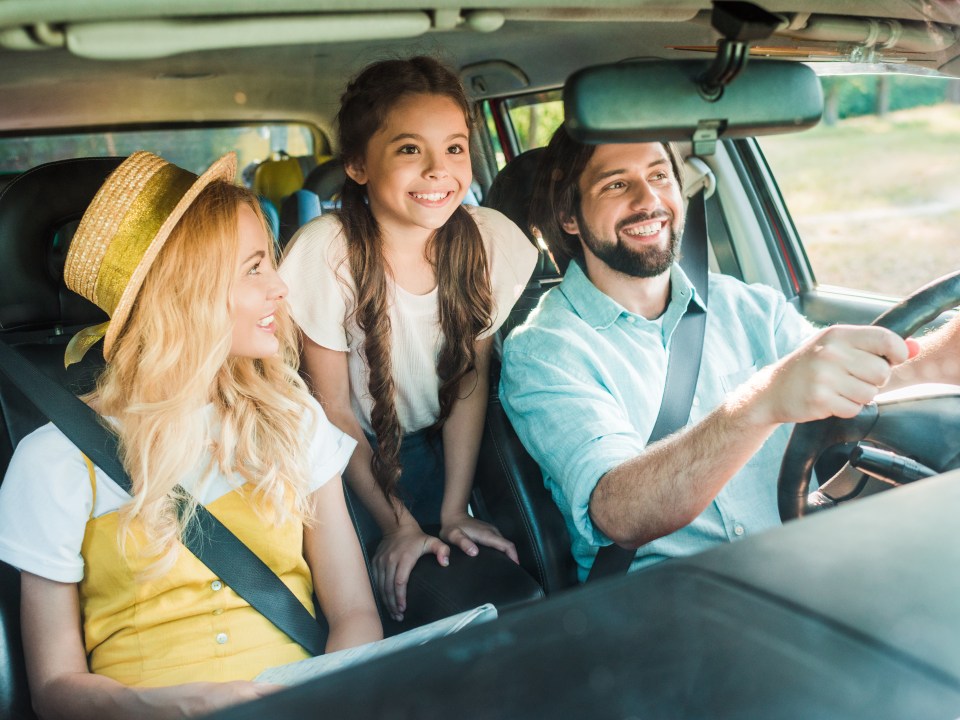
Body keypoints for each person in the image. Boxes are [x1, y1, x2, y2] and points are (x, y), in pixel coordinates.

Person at [0, 151, 382, 718]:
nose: (280, 288)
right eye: (255, 268)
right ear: (184, 293)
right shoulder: (52, 460)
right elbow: (55, 689)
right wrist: (166, 706)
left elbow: (355, 615)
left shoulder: (291, 417)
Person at [500, 127, 960, 581]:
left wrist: (950, 347)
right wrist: (762, 400)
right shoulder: (544, 351)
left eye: (660, 176)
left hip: (809, 561)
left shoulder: (747, 305)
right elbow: (619, 514)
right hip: (673, 597)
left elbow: (868, 382)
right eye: (616, 184)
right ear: (570, 217)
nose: (648, 200)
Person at [280, 56, 539, 622]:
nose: (438, 170)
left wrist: (453, 509)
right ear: (356, 165)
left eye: (454, 148)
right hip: (345, 461)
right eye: (408, 149)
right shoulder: (326, 253)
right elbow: (334, 412)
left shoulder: (487, 240)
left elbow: (469, 383)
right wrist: (397, 523)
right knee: (371, 600)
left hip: (443, 451)